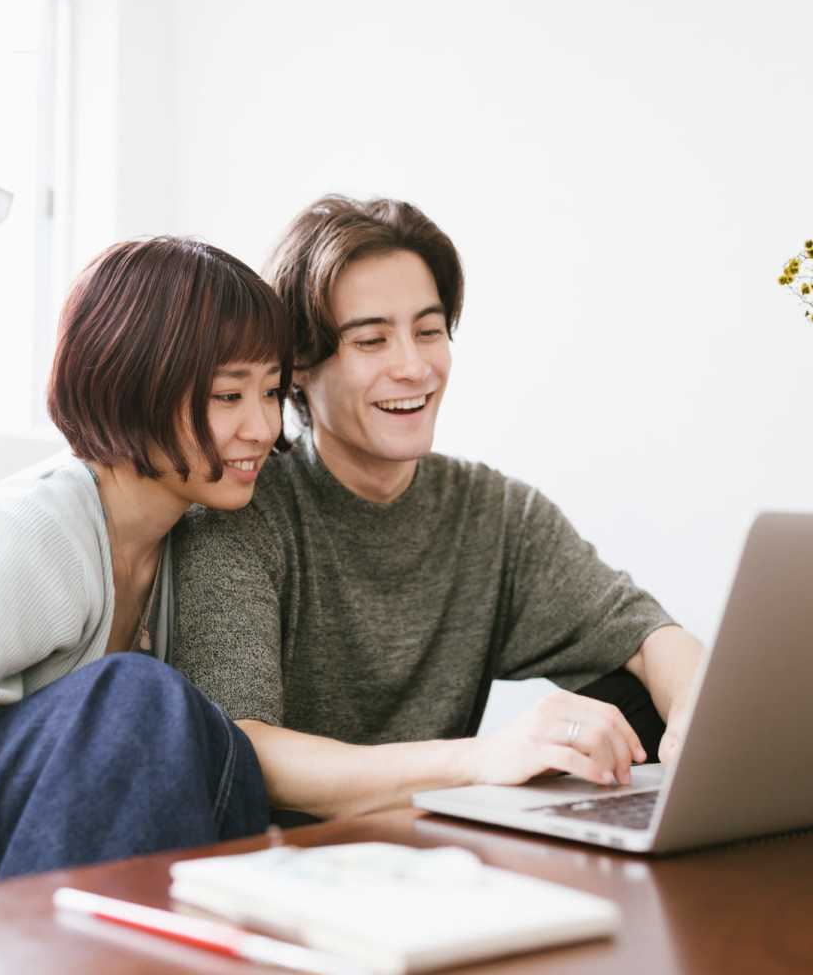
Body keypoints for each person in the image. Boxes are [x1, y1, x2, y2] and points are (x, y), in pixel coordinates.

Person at [171, 196, 704, 821]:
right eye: (371, 340)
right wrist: (482, 760)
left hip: (442, 866)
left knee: (636, 700)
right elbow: (245, 746)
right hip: (285, 869)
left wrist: (698, 717)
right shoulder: (240, 515)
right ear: (298, 370)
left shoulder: (495, 514)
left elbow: (646, 634)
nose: (415, 366)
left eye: (429, 331)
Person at [0, 237, 291, 912]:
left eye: (272, 391)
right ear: (131, 385)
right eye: (227, 395)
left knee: (222, 748)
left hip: (37, 856)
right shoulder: (26, 536)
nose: (262, 426)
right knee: (136, 699)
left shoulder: (190, 537)